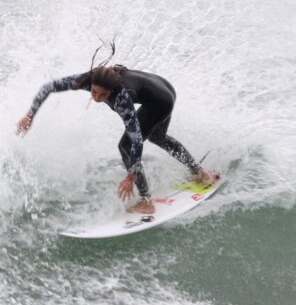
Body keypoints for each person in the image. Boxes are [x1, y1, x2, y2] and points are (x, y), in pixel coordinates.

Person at [16, 65, 217, 214]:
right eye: (94, 92)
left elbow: (136, 140)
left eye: (103, 95)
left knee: (125, 146)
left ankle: (147, 201)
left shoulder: (122, 98)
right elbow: (49, 87)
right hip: (163, 87)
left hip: (162, 100)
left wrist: (131, 176)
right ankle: (200, 173)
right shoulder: (87, 79)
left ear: (112, 91)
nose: (96, 97)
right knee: (158, 136)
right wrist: (30, 114)